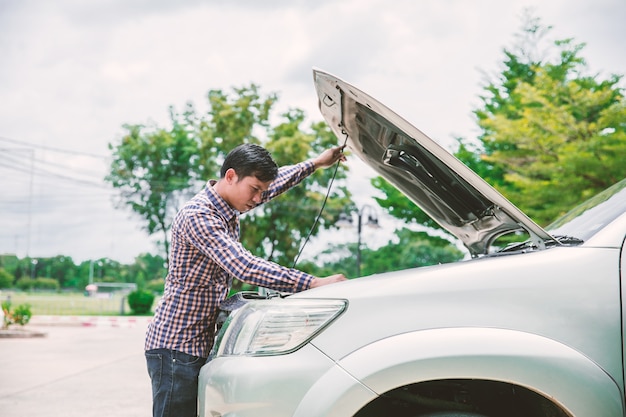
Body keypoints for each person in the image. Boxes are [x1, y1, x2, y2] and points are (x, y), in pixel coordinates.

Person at [144, 143, 348, 417]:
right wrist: (313, 283)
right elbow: (244, 266)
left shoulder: (230, 204)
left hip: (196, 344)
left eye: (262, 192)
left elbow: (275, 183)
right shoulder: (200, 216)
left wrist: (317, 163)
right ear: (230, 176)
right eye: (254, 190)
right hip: (175, 348)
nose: (258, 198)